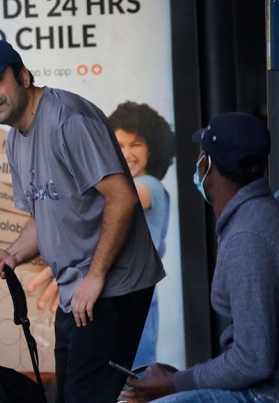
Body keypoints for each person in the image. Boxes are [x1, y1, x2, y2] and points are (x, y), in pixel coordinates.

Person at [0, 39, 165, 402]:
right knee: (70, 396)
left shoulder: (68, 119)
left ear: (24, 76)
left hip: (114, 286)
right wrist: (12, 254)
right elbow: (43, 217)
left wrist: (96, 276)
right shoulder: (14, 141)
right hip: (79, 291)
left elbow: (122, 197)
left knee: (87, 397)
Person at [121, 112, 279, 403]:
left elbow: (251, 361)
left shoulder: (250, 236)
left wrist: (176, 383)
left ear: (206, 164)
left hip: (278, 395)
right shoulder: (256, 217)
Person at [108, 101, 176, 368]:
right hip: (124, 295)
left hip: (133, 297)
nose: (127, 153)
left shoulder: (148, 186)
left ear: (152, 147)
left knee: (133, 379)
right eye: (120, 145)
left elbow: (118, 201)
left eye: (135, 144)